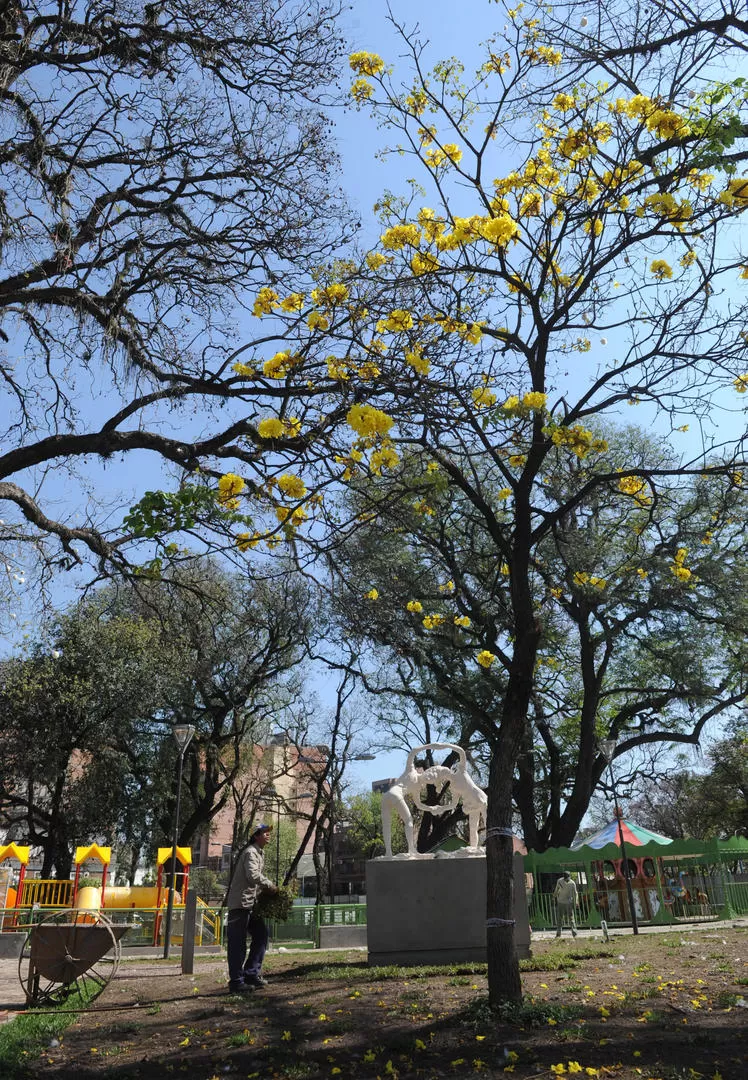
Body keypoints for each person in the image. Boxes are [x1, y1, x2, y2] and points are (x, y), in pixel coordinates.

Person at [225, 823, 278, 992]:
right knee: (237, 944)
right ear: (256, 835)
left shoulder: (258, 853)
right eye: (265, 832)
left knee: (262, 935)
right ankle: (236, 982)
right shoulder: (250, 852)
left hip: (250, 904)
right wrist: (270, 885)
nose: (268, 835)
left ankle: (250, 974)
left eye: (269, 832)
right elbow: (253, 875)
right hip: (240, 904)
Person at [553, 870, 579, 938]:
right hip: (560, 902)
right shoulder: (559, 881)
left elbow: (575, 893)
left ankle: (574, 933)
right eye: (565, 878)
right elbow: (556, 889)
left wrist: (576, 901)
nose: (566, 879)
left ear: (569, 877)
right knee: (559, 918)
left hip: (568, 903)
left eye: (567, 878)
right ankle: (558, 934)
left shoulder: (572, 883)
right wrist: (554, 897)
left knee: (571, 918)